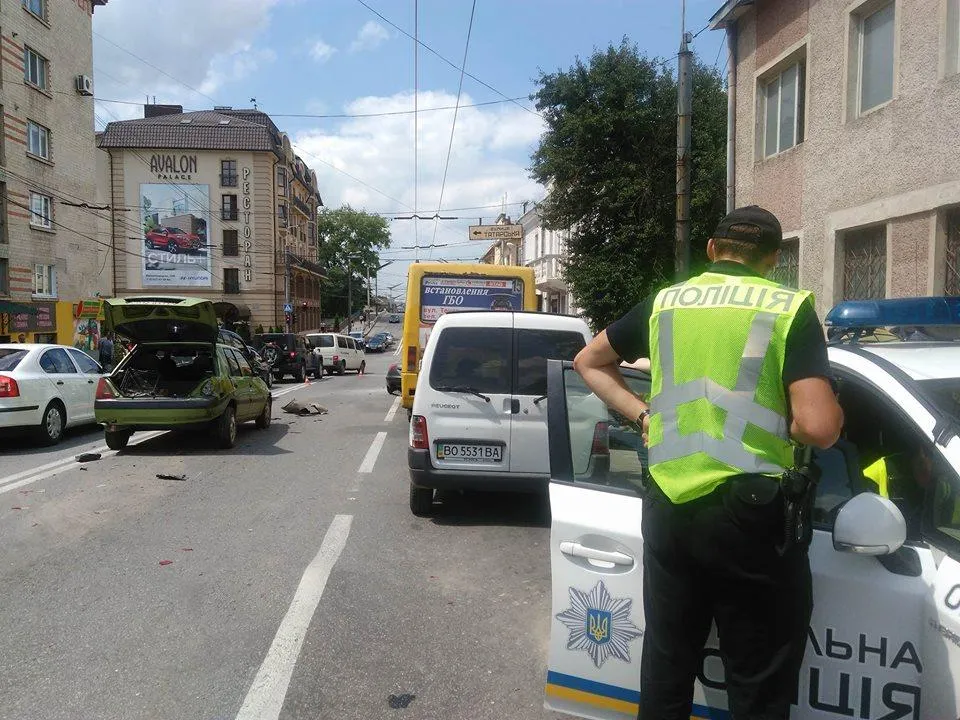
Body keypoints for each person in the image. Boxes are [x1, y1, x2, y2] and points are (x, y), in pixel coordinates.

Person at [573, 205, 844, 720]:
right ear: (772, 259)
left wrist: (642, 414)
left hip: (670, 507)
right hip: (752, 520)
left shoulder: (666, 303)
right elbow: (818, 428)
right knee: (756, 682)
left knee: (667, 667)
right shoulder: (789, 307)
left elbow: (588, 361)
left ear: (714, 250)